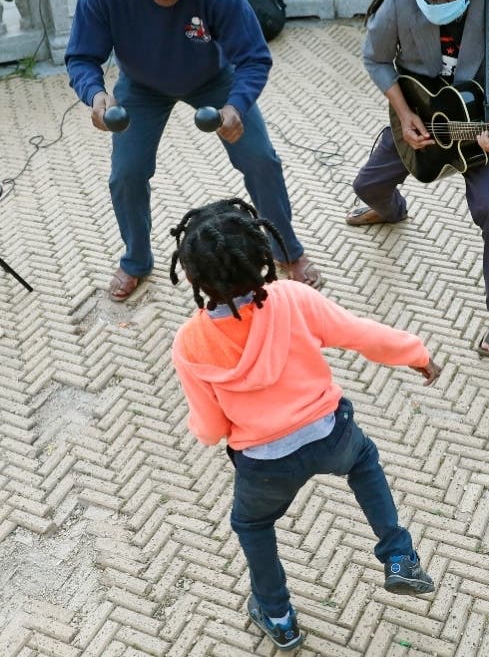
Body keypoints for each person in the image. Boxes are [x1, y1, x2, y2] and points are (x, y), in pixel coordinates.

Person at [169, 197, 441, 651]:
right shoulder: (292, 298)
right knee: (363, 462)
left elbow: (211, 426)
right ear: (261, 257)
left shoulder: (190, 342)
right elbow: (361, 334)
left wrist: (208, 434)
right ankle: (399, 556)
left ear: (193, 277)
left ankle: (278, 616)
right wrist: (416, 353)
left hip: (264, 462)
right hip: (330, 433)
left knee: (253, 525)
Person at [64, 0, 323, 303]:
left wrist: (236, 106)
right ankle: (135, 259)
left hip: (212, 80)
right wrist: (96, 97)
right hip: (142, 84)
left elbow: (253, 56)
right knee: (126, 174)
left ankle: (287, 249)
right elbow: (82, 57)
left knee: (261, 159)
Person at [346, 0, 489, 358]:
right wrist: (404, 111)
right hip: (417, 119)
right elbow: (375, 59)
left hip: (480, 127)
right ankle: (392, 210)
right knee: (366, 186)